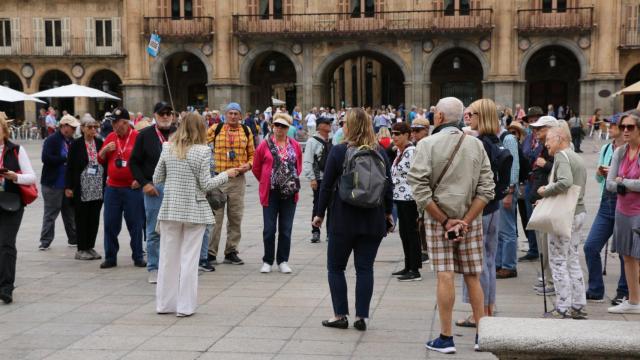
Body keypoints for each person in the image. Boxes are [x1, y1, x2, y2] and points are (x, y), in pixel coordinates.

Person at [407, 97, 494, 353]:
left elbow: (419, 187)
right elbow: (487, 188)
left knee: (445, 274)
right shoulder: (476, 145)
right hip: (471, 219)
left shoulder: (427, 144)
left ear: (440, 118)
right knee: (472, 276)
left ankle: (446, 337)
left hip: (438, 220)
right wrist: (466, 220)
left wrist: (445, 220)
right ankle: (482, 334)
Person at [313, 108, 393, 332]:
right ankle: (362, 317)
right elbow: (388, 185)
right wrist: (388, 213)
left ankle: (340, 315)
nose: (343, 126)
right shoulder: (380, 151)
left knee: (336, 268)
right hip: (373, 218)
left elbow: (326, 186)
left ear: (352, 127)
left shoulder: (339, 152)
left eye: (345, 123)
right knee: (365, 269)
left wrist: (319, 214)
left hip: (343, 219)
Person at [153, 112, 238, 317]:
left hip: (171, 209)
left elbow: (157, 178)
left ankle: (164, 304)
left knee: (167, 258)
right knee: (189, 260)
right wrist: (227, 174)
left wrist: (175, 183)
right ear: (201, 128)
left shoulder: (167, 147)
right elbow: (206, 184)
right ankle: (185, 307)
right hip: (194, 210)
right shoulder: (202, 151)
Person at [456, 99, 504, 327]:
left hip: (479, 208)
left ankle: (480, 314)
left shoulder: (479, 143)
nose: (468, 117)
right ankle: (487, 310)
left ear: (481, 116)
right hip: (493, 208)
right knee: (489, 260)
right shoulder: (496, 140)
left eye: (472, 113)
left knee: (477, 263)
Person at [537, 126, 588, 318]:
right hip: (578, 212)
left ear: (560, 138)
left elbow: (565, 182)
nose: (546, 143)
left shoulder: (561, 156)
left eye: (548, 139)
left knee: (558, 261)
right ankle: (578, 305)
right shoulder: (576, 156)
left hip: (565, 215)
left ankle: (563, 307)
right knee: (572, 259)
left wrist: (545, 191)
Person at [584, 115, 628, 304]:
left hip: (624, 201)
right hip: (606, 201)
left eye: (613, 125)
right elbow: (600, 180)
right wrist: (601, 173)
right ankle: (595, 289)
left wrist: (614, 174)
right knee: (590, 246)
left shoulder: (630, 150)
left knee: (624, 251)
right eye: (608, 125)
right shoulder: (606, 148)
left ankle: (624, 291)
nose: (609, 128)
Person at [130, 102, 176, 283]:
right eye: (161, 113)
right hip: (154, 188)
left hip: (176, 188)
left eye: (168, 113)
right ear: (155, 115)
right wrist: (144, 183)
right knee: (153, 230)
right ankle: (154, 267)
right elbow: (134, 162)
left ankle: (172, 266)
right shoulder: (145, 135)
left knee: (175, 229)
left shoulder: (178, 134)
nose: (165, 116)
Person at [206, 102, 255, 265]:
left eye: (236, 113)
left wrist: (248, 165)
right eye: (230, 113)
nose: (233, 116)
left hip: (237, 180)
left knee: (235, 217)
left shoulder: (246, 131)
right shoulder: (216, 129)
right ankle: (211, 252)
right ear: (225, 115)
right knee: (215, 218)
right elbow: (201, 145)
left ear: (241, 116)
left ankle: (231, 251)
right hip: (219, 179)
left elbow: (252, 155)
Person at [253, 113, 302, 274]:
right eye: (276, 125)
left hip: (289, 192)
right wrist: (267, 180)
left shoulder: (294, 145)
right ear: (272, 126)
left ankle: (283, 260)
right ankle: (267, 260)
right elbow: (256, 167)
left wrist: (287, 180)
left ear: (289, 128)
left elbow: (298, 166)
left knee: (286, 229)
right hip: (270, 192)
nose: (279, 128)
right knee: (269, 229)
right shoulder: (264, 145)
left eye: (283, 126)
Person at [98, 107, 146, 269]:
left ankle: (138, 256)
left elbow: (147, 163)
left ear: (125, 123)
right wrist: (104, 150)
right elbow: (100, 159)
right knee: (110, 223)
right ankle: (110, 257)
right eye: (112, 122)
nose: (113, 125)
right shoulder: (110, 137)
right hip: (112, 189)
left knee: (136, 224)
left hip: (132, 189)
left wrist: (140, 180)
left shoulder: (138, 138)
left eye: (116, 122)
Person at [0, 116, 37, 304]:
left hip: (11, 203)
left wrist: (15, 177)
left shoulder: (16, 150)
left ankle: (6, 287)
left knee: (6, 243)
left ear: (4, 130)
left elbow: (31, 177)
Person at [607, 113, 640, 314]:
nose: (625, 131)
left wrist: (623, 182)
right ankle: (633, 300)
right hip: (622, 211)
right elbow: (609, 183)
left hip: (638, 212)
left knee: (638, 257)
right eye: (623, 127)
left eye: (630, 127)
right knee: (626, 256)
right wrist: (624, 184)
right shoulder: (620, 152)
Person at [64, 115, 105, 261]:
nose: (93, 129)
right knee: (82, 217)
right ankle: (81, 248)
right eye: (89, 127)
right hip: (81, 185)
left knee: (94, 218)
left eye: (95, 126)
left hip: (97, 185)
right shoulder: (76, 144)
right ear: (82, 128)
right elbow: (69, 166)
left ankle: (90, 246)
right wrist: (68, 186)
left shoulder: (100, 142)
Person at [527, 116, 560, 295]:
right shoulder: (542, 147)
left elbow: (562, 175)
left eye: (541, 129)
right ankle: (547, 277)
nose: (536, 132)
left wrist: (545, 164)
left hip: (548, 201)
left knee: (549, 245)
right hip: (538, 198)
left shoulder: (557, 150)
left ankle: (552, 281)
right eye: (535, 129)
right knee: (542, 244)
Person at [39, 115, 79, 250]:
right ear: (64, 126)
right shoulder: (52, 140)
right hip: (52, 183)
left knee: (69, 213)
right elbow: (45, 158)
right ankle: (45, 241)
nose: (74, 130)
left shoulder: (72, 141)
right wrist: (64, 158)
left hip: (66, 184)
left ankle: (73, 238)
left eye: (74, 128)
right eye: (72, 127)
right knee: (51, 213)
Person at [390, 122, 422, 281]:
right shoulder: (399, 152)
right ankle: (408, 265)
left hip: (410, 198)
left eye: (397, 134)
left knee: (411, 233)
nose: (394, 137)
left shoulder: (411, 151)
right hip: (400, 198)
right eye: (393, 133)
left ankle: (415, 269)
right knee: (404, 233)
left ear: (407, 135)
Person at [495, 120, 522, 279]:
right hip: (501, 188)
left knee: (508, 229)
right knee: (500, 229)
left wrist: (510, 191)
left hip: (507, 189)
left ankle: (509, 266)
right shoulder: (497, 137)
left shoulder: (508, 138)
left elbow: (514, 165)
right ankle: (499, 263)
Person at [518, 106, 545, 262]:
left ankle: (543, 249)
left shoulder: (545, 139)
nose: (534, 124)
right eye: (531, 121)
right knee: (529, 217)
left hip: (541, 182)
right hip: (529, 182)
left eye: (536, 120)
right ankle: (533, 249)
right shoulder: (528, 139)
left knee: (541, 217)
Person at [303, 117, 332, 243]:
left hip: (330, 178)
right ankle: (315, 231)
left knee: (332, 206)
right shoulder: (312, 141)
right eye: (326, 123)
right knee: (318, 205)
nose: (329, 125)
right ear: (320, 126)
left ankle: (330, 233)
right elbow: (308, 160)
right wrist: (312, 178)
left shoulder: (331, 140)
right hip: (318, 178)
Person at [410, 117, 431, 264]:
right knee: (420, 221)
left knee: (424, 220)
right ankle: (424, 249)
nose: (414, 134)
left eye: (417, 130)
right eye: (412, 131)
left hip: (428, 189)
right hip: (418, 190)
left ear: (426, 130)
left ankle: (426, 249)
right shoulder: (416, 145)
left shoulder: (429, 144)